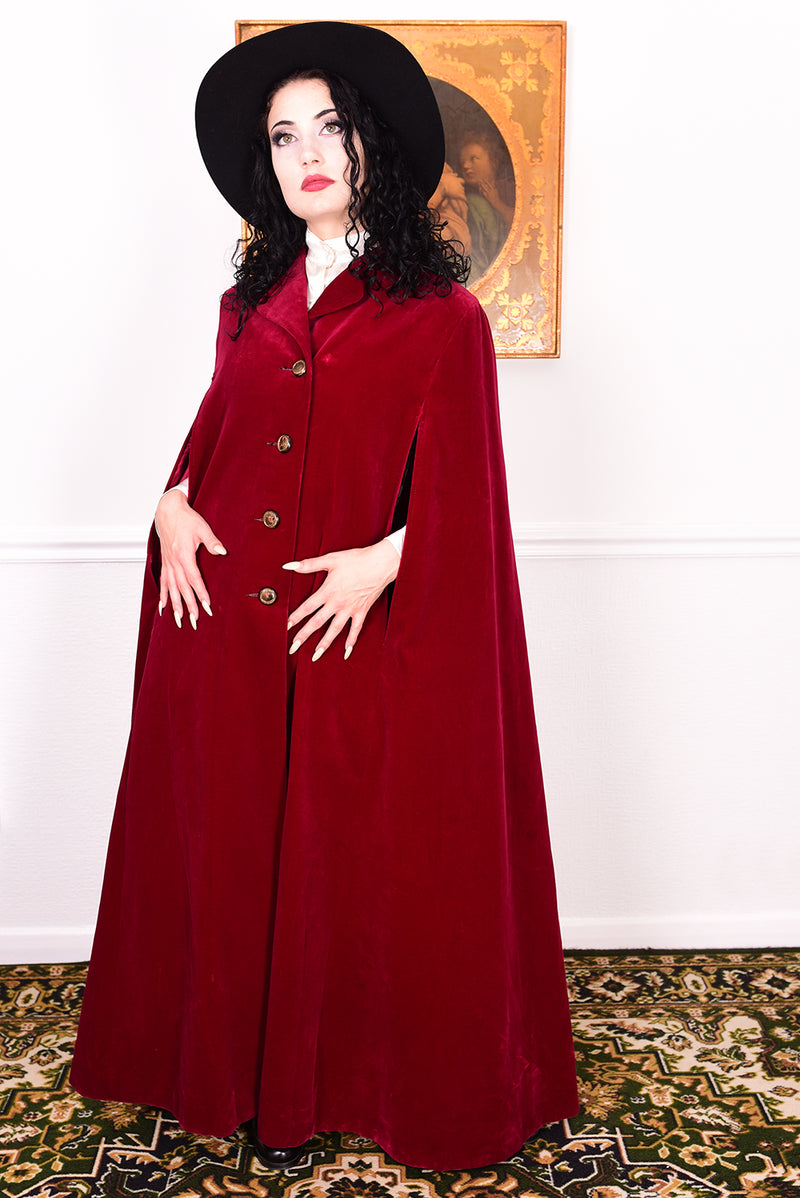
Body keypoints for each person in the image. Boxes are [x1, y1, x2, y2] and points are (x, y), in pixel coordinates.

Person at [70, 21, 579, 1172]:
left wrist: (383, 559)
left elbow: (469, 500)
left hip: (351, 634)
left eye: (330, 128)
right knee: (232, 848)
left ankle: (345, 1077)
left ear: (371, 147)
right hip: (228, 639)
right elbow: (215, 440)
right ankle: (231, 1073)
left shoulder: (441, 320)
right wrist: (169, 503)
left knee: (351, 871)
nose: (306, 153)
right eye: (283, 134)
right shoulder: (244, 307)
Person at [459, 130, 515, 280]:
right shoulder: (466, 197)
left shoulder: (509, 189)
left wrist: (496, 202)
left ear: (493, 161)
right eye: (462, 160)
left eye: (473, 159)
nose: (465, 165)